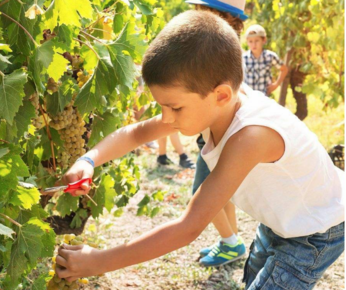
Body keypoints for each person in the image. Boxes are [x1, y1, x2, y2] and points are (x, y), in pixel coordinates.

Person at [56, 11, 344, 290]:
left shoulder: (251, 137)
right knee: (254, 278)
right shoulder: (214, 105)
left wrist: (98, 261)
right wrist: (88, 159)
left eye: (174, 107)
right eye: (161, 106)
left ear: (221, 95)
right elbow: (138, 132)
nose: (166, 118)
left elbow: (188, 228)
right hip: (282, 221)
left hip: (315, 232)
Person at [186, 0, 248, 267]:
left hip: (217, 135)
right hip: (220, 132)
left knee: (200, 194)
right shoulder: (228, 47)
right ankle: (229, 241)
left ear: (220, 16)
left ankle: (231, 242)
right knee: (223, 195)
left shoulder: (215, 49)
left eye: (203, 10)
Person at [243, 24, 288, 96]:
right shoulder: (244, 58)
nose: (253, 44)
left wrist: (276, 84)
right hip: (248, 98)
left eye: (257, 41)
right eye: (250, 41)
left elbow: (284, 69)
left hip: (264, 97)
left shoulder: (270, 56)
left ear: (264, 40)